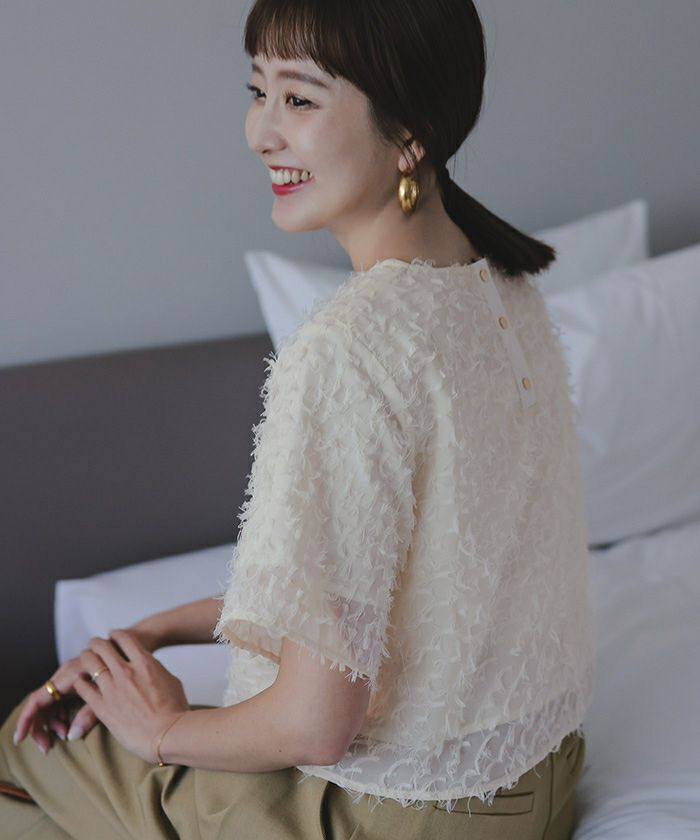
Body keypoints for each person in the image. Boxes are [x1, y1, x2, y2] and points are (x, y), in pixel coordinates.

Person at [0, 0, 594, 837]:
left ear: (411, 131)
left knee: (28, 756)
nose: (260, 133)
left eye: (300, 99)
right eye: (258, 91)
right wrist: (162, 628)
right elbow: (396, 595)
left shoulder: (350, 349)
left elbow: (316, 725)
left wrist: (162, 729)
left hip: (400, 817)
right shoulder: (506, 289)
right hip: (537, 786)